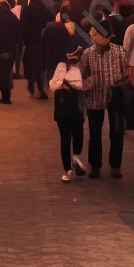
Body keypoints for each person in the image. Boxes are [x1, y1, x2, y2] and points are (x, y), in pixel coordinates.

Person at [79, 26, 129, 179]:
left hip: (116, 97)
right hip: (94, 97)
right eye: (94, 35)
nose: (95, 37)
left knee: (117, 132)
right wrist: (87, 84)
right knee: (94, 133)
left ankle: (115, 166)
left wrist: (120, 84)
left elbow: (126, 73)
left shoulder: (120, 51)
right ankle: (95, 166)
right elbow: (83, 74)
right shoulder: (88, 54)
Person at [49, 48, 87, 182]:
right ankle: (68, 169)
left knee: (77, 135)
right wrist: (61, 84)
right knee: (65, 138)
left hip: (76, 108)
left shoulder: (83, 67)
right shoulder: (61, 66)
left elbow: (86, 84)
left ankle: (76, 158)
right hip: (63, 108)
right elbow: (52, 84)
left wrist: (73, 86)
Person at [21, 0, 55, 97]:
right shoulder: (46, 12)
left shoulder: (26, 10)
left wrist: (23, 40)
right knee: (40, 67)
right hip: (41, 43)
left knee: (30, 65)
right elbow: (52, 23)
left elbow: (23, 26)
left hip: (29, 43)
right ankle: (41, 89)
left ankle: (31, 84)